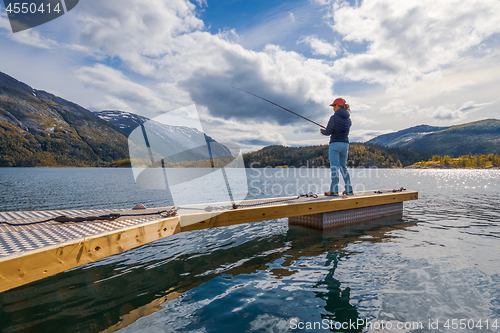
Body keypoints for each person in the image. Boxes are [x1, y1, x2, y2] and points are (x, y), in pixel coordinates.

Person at [320, 98, 353, 196]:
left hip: (335, 144)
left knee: (334, 168)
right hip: (345, 144)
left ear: (338, 106)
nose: (333, 108)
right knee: (343, 167)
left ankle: (334, 191)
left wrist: (322, 131)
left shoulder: (334, 117)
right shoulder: (348, 119)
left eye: (334, 106)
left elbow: (328, 132)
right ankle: (349, 189)